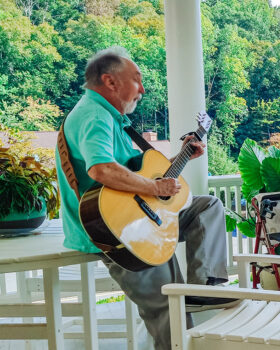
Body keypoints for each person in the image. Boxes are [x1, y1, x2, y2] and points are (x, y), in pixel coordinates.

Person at [54, 46, 232, 350]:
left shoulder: (113, 119)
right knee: (165, 309)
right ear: (110, 82)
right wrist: (155, 189)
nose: (143, 88)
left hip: (138, 216)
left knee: (207, 206)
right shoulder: (94, 115)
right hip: (116, 228)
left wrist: (182, 155)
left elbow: (140, 174)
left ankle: (204, 287)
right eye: (136, 78)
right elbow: (102, 169)